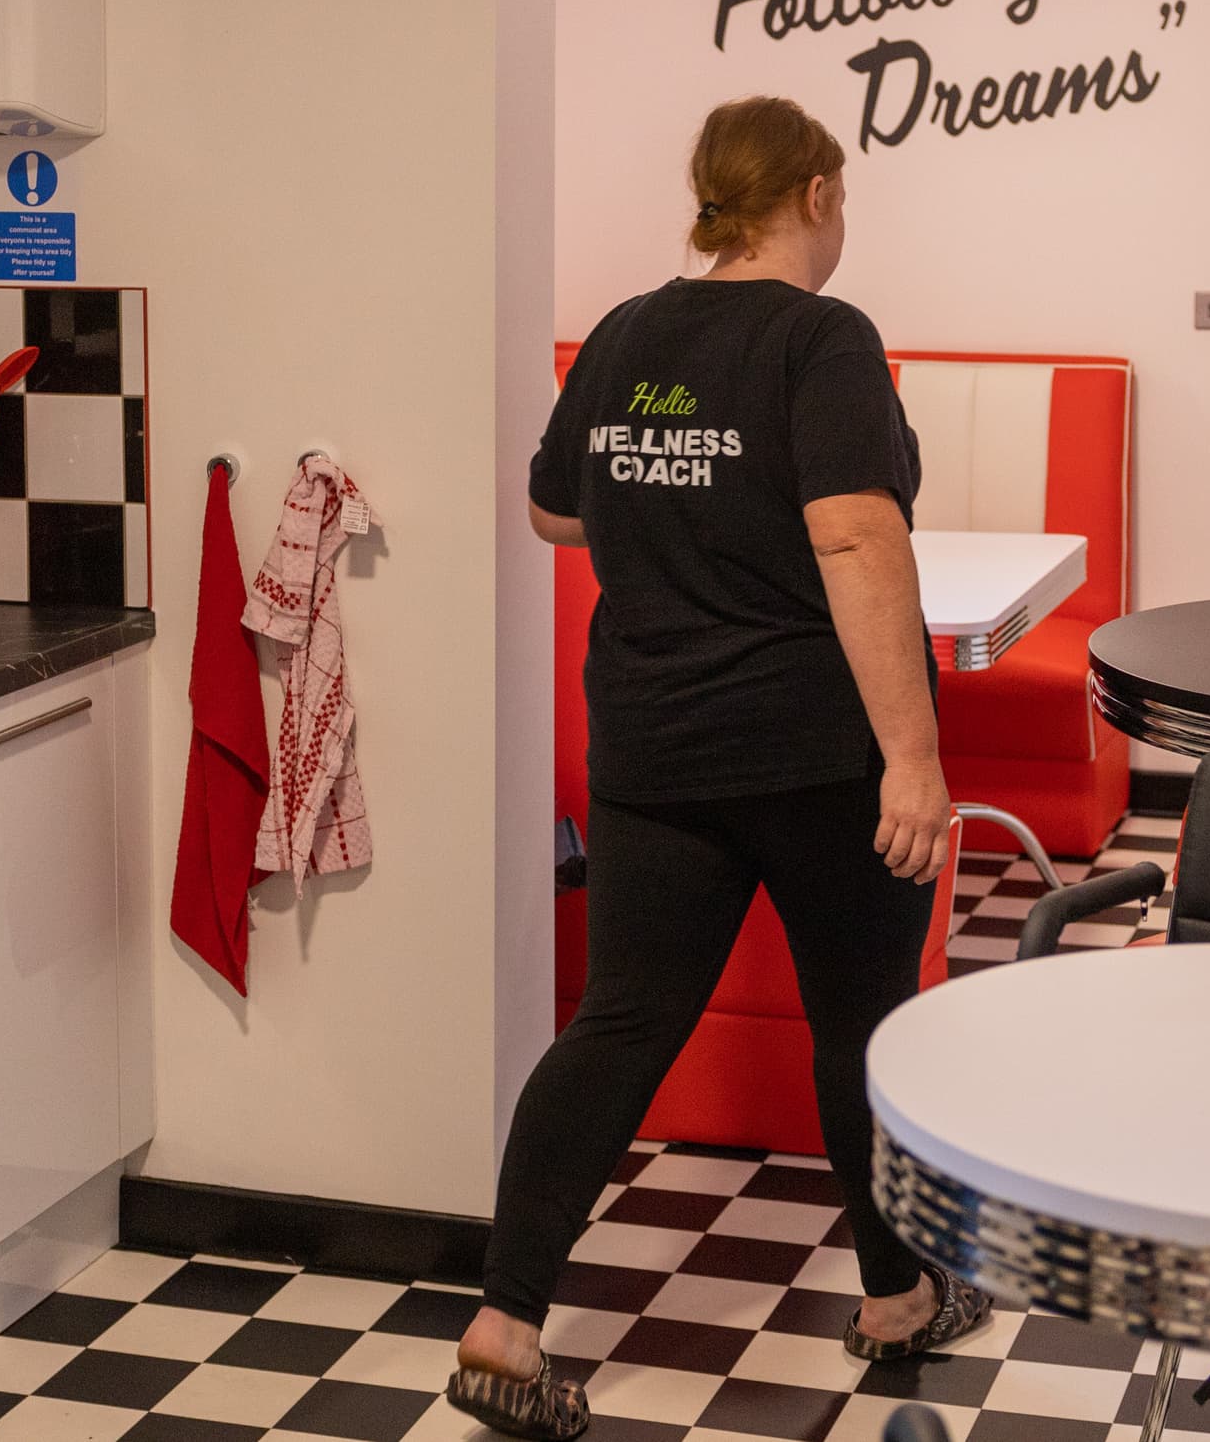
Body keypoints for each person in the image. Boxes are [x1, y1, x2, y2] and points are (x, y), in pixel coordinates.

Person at [449, 96, 990, 1442]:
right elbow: (860, 542)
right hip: (813, 753)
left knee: (620, 1024)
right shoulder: (825, 340)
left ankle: (506, 1320)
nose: (845, 216)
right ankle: (891, 1297)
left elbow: (554, 501)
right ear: (812, 190)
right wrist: (913, 759)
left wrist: (676, 495)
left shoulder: (629, 334)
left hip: (652, 745)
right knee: (859, 1018)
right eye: (844, 194)